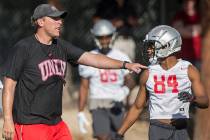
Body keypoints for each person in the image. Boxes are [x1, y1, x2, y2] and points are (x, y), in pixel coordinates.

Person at [2, 4, 147, 140]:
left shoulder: (61, 46)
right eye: (55, 18)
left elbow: (93, 59)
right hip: (30, 124)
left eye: (60, 18)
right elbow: (9, 86)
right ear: (41, 22)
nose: (60, 22)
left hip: (57, 123)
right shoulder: (23, 48)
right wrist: (8, 119)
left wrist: (125, 64)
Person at [113, 25, 209, 140]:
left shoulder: (188, 69)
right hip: (158, 130)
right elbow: (137, 107)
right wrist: (119, 133)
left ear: (167, 45)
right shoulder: (148, 73)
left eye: (152, 45)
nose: (148, 49)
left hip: (181, 129)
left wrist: (193, 99)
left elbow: (205, 101)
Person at [78, 19, 135, 140]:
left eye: (107, 37)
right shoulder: (88, 57)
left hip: (116, 101)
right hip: (98, 102)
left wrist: (125, 90)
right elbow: (84, 86)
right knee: (103, 137)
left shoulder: (121, 56)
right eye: (101, 37)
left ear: (113, 36)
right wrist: (80, 111)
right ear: (95, 37)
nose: (104, 40)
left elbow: (130, 80)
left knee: (118, 136)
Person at [172, 0, 202, 69]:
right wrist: (195, 29)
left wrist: (186, 28)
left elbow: (203, 29)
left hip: (199, 56)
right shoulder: (179, 15)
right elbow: (178, 31)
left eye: (190, 1)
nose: (187, 3)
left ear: (194, 2)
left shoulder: (200, 15)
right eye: (184, 1)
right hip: (183, 56)